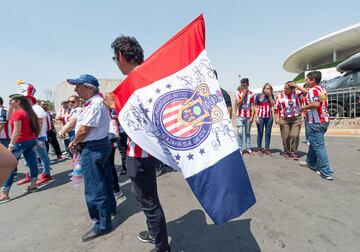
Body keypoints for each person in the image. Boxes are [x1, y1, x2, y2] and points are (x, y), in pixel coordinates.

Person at [105, 35, 170, 252]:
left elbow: (135, 118)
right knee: (141, 195)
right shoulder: (150, 78)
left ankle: (161, 246)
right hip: (148, 152)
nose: (116, 62)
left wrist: (114, 105)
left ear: (122, 56)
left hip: (140, 153)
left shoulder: (132, 81)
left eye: (115, 58)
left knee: (150, 203)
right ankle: (155, 233)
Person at [67, 74, 116, 242]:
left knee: (95, 187)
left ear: (89, 88)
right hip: (98, 145)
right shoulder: (93, 103)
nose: (75, 90)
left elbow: (84, 130)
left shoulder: (95, 104)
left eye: (78, 86)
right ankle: (109, 210)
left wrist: (74, 142)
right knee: (104, 181)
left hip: (93, 147)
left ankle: (101, 224)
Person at [0, 94, 40, 203]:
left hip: (20, 142)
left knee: (9, 167)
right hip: (30, 141)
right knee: (32, 163)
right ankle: (33, 184)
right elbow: (8, 118)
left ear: (18, 102)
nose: (9, 102)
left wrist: (11, 145)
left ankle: (5, 193)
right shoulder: (28, 112)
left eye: (11, 101)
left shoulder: (18, 113)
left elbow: (16, 131)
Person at [299, 71, 334, 180]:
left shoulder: (313, 90)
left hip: (315, 122)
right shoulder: (321, 89)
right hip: (323, 120)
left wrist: (302, 108)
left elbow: (316, 104)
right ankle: (311, 162)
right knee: (313, 143)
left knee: (319, 146)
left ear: (312, 80)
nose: (306, 82)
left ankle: (326, 171)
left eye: (307, 80)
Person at [274, 81, 307, 160]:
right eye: (284, 88)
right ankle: (286, 151)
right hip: (284, 119)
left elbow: (306, 92)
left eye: (287, 88)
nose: (285, 89)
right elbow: (276, 108)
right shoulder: (279, 96)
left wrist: (295, 85)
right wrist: (276, 118)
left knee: (294, 135)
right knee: (286, 136)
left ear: (292, 89)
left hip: (296, 118)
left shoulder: (297, 94)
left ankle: (293, 152)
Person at [25, 93, 53, 185]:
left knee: (42, 156)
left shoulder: (36, 108)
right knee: (32, 157)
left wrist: (35, 136)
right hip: (33, 136)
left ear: (31, 99)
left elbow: (39, 123)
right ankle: (32, 174)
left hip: (38, 136)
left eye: (26, 99)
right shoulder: (30, 108)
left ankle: (46, 174)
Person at [254, 83, 275, 156]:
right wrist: (256, 117)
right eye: (266, 88)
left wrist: (270, 97)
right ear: (263, 89)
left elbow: (273, 104)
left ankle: (267, 148)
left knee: (268, 133)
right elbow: (256, 106)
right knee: (260, 133)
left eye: (269, 89)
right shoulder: (258, 96)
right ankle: (259, 149)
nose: (268, 90)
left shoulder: (271, 95)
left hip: (269, 117)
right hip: (260, 117)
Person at [235, 78, 255, 155]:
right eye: (242, 83)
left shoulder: (252, 93)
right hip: (239, 116)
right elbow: (237, 103)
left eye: (245, 84)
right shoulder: (237, 93)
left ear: (248, 84)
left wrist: (252, 117)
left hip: (248, 116)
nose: (243, 85)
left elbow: (253, 106)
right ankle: (240, 148)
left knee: (247, 132)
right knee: (240, 133)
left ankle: (248, 148)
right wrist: (243, 95)